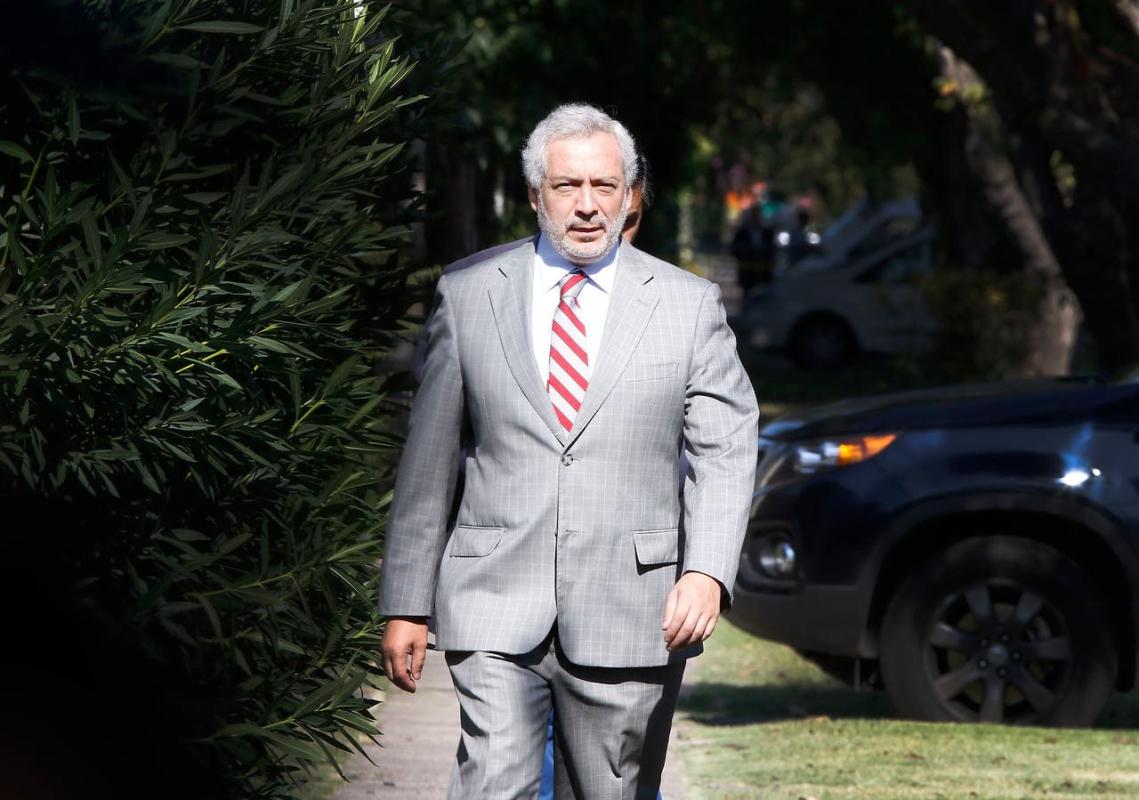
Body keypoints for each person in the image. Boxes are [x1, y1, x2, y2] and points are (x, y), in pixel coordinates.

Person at [380, 103, 759, 799]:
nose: (587, 205)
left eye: (604, 186)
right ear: (536, 194)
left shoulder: (688, 305)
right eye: (567, 186)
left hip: (632, 608)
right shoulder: (468, 295)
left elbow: (726, 450)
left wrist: (706, 571)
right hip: (492, 597)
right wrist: (406, 600)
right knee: (491, 783)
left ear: (628, 194)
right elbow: (427, 460)